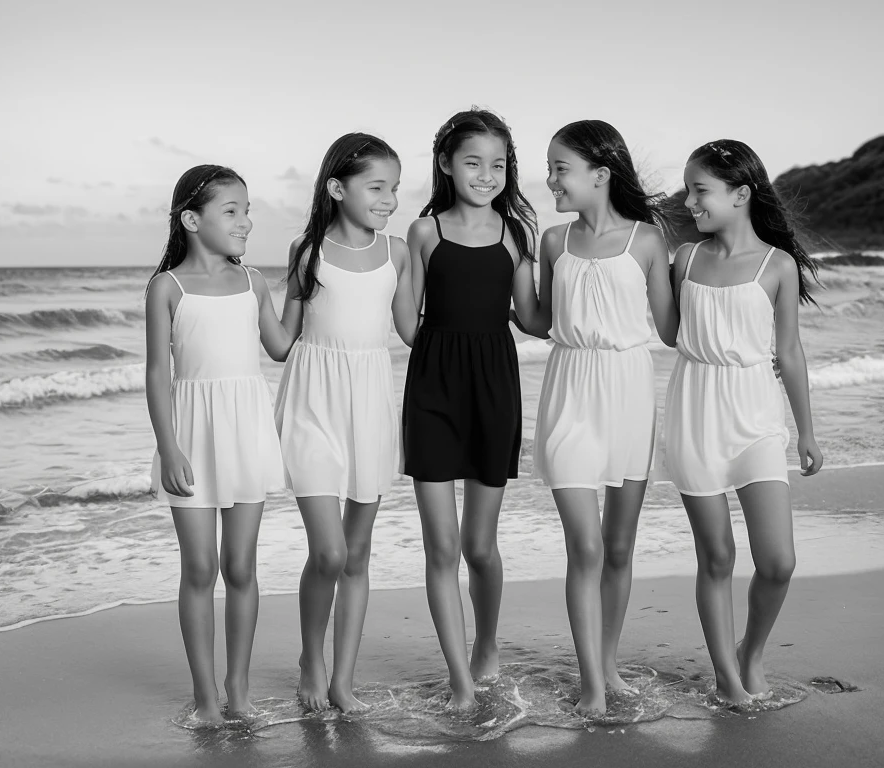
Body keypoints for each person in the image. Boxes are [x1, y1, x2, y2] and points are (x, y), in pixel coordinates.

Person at [663, 139, 823, 704]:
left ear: (740, 194)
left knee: (778, 562)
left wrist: (806, 432)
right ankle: (727, 679)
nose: (690, 201)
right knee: (718, 557)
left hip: (756, 416)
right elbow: (666, 332)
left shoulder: (776, 265)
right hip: (694, 413)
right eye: (688, 189)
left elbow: (791, 354)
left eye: (700, 190)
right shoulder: (684, 258)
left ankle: (749, 653)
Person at [530, 120, 677, 715]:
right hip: (568, 390)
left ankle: (608, 665)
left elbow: (670, 330)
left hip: (629, 392)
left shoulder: (647, 242)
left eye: (561, 168)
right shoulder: (551, 242)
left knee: (618, 545)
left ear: (600, 174)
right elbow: (538, 320)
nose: (551, 179)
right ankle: (590, 681)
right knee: (585, 545)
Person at [273, 133, 418, 713]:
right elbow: (283, 341)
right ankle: (312, 656)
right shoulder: (307, 250)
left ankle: (343, 681)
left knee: (356, 555)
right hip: (312, 401)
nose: (388, 199)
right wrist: (240, 300)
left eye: (394, 189)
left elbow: (413, 331)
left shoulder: (399, 252)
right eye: (375, 187)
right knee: (329, 552)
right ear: (338, 188)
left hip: (370, 405)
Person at [402, 108, 540, 711]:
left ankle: (486, 645)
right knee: (441, 547)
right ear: (445, 165)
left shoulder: (517, 235)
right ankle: (460, 679)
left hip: (495, 387)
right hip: (432, 386)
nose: (486, 175)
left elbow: (534, 318)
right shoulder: (423, 232)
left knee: (479, 546)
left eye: (498, 165)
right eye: (473, 162)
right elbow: (408, 322)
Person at [146, 165, 294, 723]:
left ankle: (239, 690)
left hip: (247, 431)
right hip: (191, 435)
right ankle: (205, 697)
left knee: (241, 567)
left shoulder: (254, 282)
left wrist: (302, 287)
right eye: (231, 210)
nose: (246, 221)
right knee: (200, 568)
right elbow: (158, 375)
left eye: (246, 209)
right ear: (192, 219)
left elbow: (279, 346)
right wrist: (170, 448)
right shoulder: (168, 287)